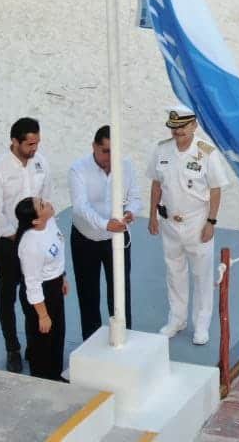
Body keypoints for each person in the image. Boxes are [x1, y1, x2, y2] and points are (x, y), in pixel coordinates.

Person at [148, 105, 230, 346]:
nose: (178, 132)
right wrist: (152, 215)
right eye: (174, 128)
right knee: (174, 271)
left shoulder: (206, 153)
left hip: (197, 221)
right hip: (169, 222)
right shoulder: (162, 150)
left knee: (202, 274)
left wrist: (211, 222)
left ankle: (201, 324)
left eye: (183, 127)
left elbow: (215, 189)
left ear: (193, 126)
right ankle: (177, 318)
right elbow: (156, 184)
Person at [0, 116, 53, 373]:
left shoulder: (40, 162)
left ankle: (34, 345)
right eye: (30, 144)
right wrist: (13, 236)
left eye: (37, 143)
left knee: (32, 292)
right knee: (7, 295)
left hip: (33, 238)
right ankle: (12, 347)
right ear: (15, 142)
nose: (34, 149)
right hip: (9, 243)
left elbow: (46, 195)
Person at [69, 125, 143, 340]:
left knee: (120, 293)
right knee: (88, 294)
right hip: (86, 239)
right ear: (94, 147)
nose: (110, 158)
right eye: (105, 151)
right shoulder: (78, 169)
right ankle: (90, 342)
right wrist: (104, 224)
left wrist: (130, 211)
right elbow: (80, 207)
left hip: (117, 239)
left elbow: (135, 197)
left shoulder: (126, 166)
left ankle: (123, 338)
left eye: (114, 152)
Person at [15, 196, 67, 381]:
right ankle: (42, 379)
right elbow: (32, 283)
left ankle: (55, 375)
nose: (48, 203)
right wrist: (42, 315)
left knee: (58, 334)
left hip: (54, 284)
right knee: (42, 340)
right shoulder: (30, 245)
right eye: (42, 205)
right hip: (40, 294)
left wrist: (63, 276)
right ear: (36, 220)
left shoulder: (50, 222)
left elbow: (58, 251)